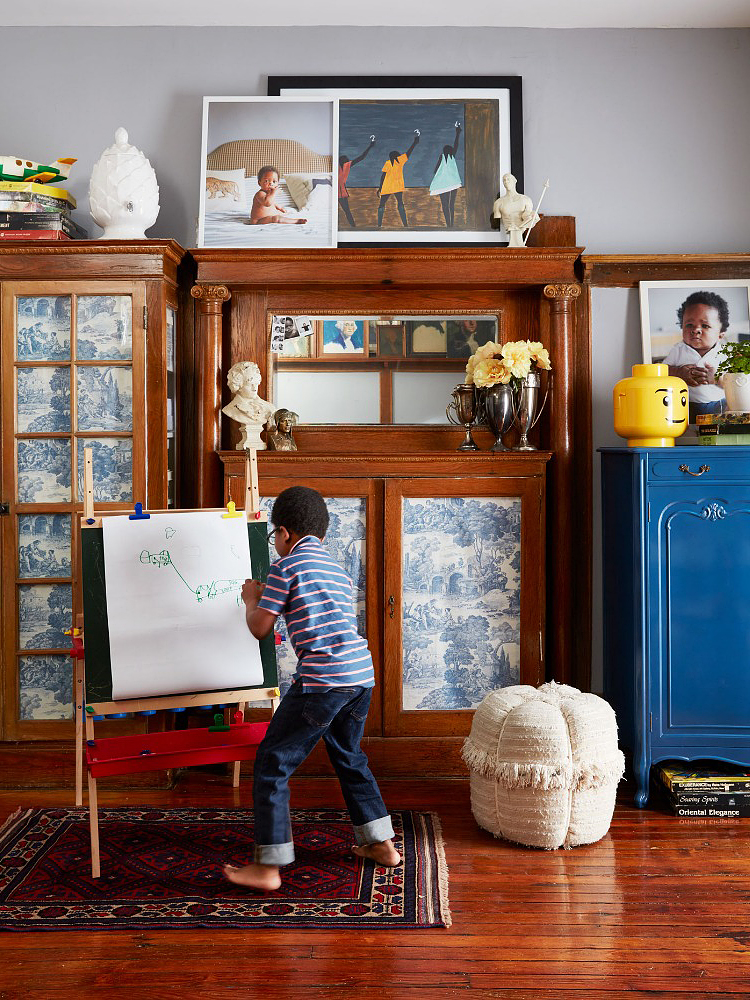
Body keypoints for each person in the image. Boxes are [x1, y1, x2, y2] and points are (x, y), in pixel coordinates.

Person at [223, 486, 399, 891]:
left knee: (272, 761)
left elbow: (259, 628)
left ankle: (268, 867)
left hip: (323, 681)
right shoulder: (337, 570)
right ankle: (381, 844)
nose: (276, 545)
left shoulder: (284, 568)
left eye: (274, 538)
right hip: (360, 678)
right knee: (348, 755)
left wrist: (251, 598)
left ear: (284, 533)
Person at [662, 291, 729, 422]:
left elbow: (734, 385)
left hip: (718, 404)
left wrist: (717, 379)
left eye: (705, 325)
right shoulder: (679, 349)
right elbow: (661, 371)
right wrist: (678, 372)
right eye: (689, 325)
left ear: (720, 334)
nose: (695, 330)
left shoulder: (724, 353)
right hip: (686, 404)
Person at [222, 360, 275, 450]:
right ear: (238, 386)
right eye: (250, 384)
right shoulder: (230, 409)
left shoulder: (269, 408)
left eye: (256, 384)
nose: (255, 388)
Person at [376, 130, 421, 228]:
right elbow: (409, 152)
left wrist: (380, 188)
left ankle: (379, 225)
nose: (400, 155)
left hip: (387, 186)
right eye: (399, 155)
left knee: (382, 205)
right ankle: (405, 225)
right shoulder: (399, 161)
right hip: (397, 186)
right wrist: (415, 142)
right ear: (397, 156)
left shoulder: (388, 163)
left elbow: (383, 176)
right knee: (400, 203)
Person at [429, 122, 462, 227]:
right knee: (451, 204)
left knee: (445, 205)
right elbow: (456, 144)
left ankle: (448, 225)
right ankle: (451, 224)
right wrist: (458, 132)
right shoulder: (452, 156)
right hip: (453, 183)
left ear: (444, 151)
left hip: (442, 184)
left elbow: (435, 170)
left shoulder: (442, 157)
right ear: (451, 151)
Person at [492, 173, 539, 247]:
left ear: (515, 181)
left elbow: (527, 215)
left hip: (521, 231)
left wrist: (532, 216)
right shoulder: (498, 203)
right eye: (504, 180)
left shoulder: (526, 199)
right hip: (509, 229)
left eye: (508, 179)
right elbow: (496, 219)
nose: (506, 181)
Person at [338, 135, 376, 227]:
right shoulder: (344, 166)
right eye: (346, 160)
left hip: (340, 192)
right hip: (341, 192)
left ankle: (352, 226)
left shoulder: (343, 166)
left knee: (345, 211)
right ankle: (353, 226)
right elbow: (361, 157)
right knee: (347, 211)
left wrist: (370, 146)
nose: (348, 161)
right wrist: (370, 146)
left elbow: (361, 157)